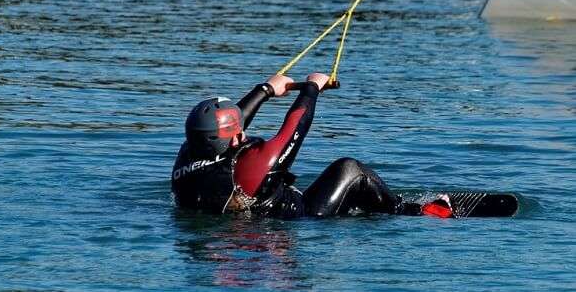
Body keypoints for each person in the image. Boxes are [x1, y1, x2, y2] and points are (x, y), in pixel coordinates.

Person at [171, 72, 419, 219]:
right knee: (350, 169)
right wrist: (312, 88)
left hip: (235, 224)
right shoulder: (254, 167)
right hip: (305, 216)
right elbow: (295, 128)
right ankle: (412, 211)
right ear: (232, 137)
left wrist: (266, 90)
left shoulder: (187, 154)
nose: (243, 134)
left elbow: (231, 123)